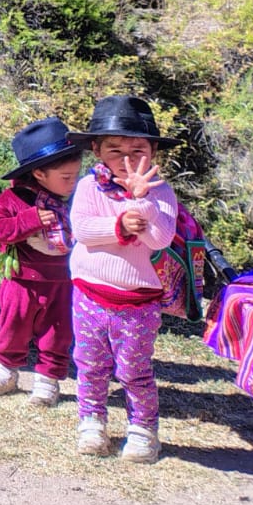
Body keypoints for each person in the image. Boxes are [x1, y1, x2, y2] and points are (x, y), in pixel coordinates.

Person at [68, 96, 179, 464]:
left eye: (137, 150)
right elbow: (83, 229)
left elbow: (160, 239)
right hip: (89, 293)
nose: (126, 159)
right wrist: (120, 226)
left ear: (153, 153)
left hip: (138, 302)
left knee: (134, 369)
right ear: (97, 150)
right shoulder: (89, 187)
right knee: (90, 363)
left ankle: (144, 430)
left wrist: (139, 201)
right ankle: (92, 421)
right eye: (115, 150)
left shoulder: (161, 193)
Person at [0, 118, 81, 406]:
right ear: (39, 173)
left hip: (63, 283)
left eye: (76, 175)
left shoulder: (77, 199)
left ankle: (48, 381)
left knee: (58, 332)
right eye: (66, 177)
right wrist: (29, 220)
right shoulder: (15, 198)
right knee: (13, 328)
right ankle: (6, 370)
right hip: (21, 282)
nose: (72, 183)